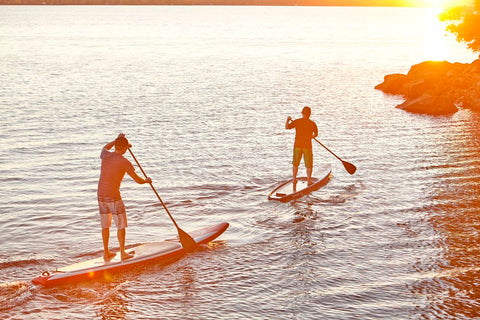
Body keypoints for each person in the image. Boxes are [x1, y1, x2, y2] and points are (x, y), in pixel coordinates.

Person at [97, 133, 151, 261]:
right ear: (126, 148)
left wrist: (116, 140)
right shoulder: (125, 162)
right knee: (120, 224)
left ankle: (106, 252)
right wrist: (146, 180)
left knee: (105, 225)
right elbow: (138, 180)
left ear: (116, 146)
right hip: (113, 196)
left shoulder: (105, 155)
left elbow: (105, 147)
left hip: (100, 194)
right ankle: (122, 253)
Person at [285, 106, 318, 189]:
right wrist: (312, 136)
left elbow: (287, 127)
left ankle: (294, 179)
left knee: (295, 163)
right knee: (309, 164)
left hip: (297, 146)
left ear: (302, 113)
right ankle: (309, 180)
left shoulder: (297, 122)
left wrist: (288, 120)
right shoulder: (312, 123)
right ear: (309, 114)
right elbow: (316, 134)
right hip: (307, 146)